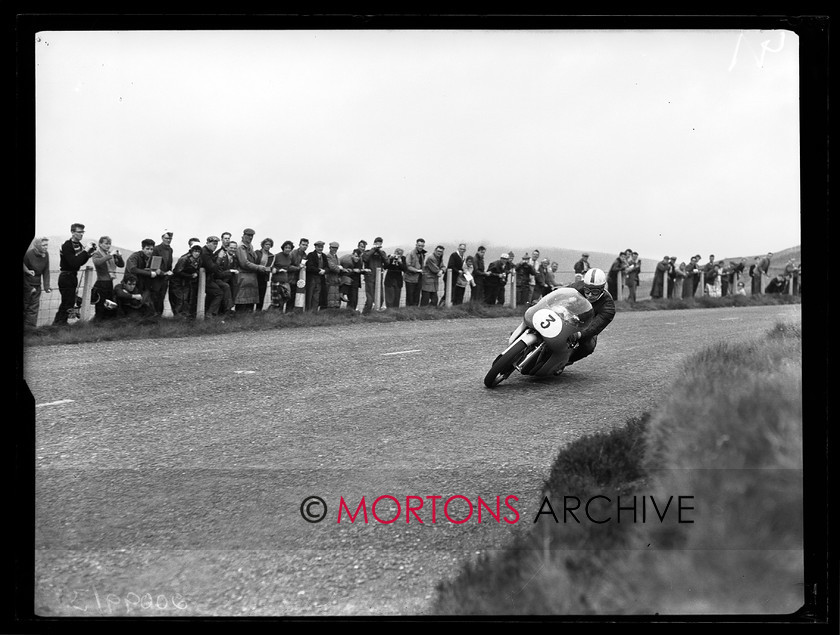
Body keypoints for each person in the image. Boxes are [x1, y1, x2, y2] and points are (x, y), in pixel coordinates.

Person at [565, 268, 616, 367]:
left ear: (602, 289)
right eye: (587, 290)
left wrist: (578, 335)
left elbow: (595, 327)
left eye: (595, 292)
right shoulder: (577, 286)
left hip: (587, 324)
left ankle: (565, 361)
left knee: (589, 346)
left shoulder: (608, 307)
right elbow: (559, 294)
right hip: (570, 315)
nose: (590, 295)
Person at [53, 223, 96, 325]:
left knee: (68, 301)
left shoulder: (79, 245)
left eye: (82, 232)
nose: (81, 234)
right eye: (79, 232)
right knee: (67, 302)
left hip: (73, 275)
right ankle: (60, 323)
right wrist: (85, 251)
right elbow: (73, 262)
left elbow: (80, 262)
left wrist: (88, 254)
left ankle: (59, 323)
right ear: (72, 232)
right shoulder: (67, 245)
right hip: (66, 276)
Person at [235, 228, 271, 313]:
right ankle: (240, 318)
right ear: (243, 235)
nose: (250, 237)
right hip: (243, 276)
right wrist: (259, 267)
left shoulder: (250, 246)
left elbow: (254, 259)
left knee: (250, 302)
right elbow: (244, 263)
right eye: (248, 235)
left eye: (252, 236)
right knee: (242, 301)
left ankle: (249, 319)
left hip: (251, 277)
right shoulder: (241, 247)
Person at [90, 236, 124, 321]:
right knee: (101, 304)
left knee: (109, 303)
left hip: (109, 281)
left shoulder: (110, 254)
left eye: (109, 244)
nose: (108, 246)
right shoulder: (96, 253)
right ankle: (98, 321)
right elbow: (98, 262)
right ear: (100, 244)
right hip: (101, 281)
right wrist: (110, 255)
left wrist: (119, 257)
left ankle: (108, 321)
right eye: (106, 243)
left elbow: (121, 265)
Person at [125, 239, 162, 310]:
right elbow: (133, 269)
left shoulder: (151, 258)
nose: (149, 251)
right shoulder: (134, 256)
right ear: (142, 248)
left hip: (144, 285)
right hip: (132, 285)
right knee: (132, 306)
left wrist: (156, 271)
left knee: (145, 306)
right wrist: (149, 273)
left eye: (151, 249)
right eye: (147, 249)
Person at [23, 236, 51, 329]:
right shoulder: (28, 255)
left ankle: (30, 330)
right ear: (38, 245)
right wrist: (29, 288)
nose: (46, 247)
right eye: (44, 245)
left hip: (37, 286)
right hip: (27, 285)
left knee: (34, 309)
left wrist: (47, 286)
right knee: (25, 307)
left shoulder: (46, 254)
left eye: (47, 245)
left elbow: (46, 270)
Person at [199, 236, 230, 317]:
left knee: (223, 288)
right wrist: (219, 258)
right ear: (207, 243)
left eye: (216, 244)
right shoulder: (205, 253)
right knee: (218, 293)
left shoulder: (208, 252)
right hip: (204, 280)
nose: (215, 246)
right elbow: (213, 268)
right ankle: (210, 314)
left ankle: (214, 312)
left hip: (209, 279)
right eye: (213, 244)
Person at [170, 244, 203, 317]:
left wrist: (195, 274)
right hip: (177, 282)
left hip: (187, 281)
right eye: (195, 251)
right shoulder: (184, 259)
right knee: (180, 299)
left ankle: (185, 315)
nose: (197, 253)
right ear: (191, 252)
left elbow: (197, 269)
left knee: (186, 299)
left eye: (198, 252)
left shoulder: (199, 260)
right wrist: (190, 276)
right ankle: (178, 316)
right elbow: (177, 271)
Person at [149, 230, 175, 315]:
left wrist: (169, 272)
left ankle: (159, 315)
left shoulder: (170, 250)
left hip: (165, 278)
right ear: (162, 238)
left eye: (170, 238)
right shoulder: (157, 249)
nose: (168, 240)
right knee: (155, 296)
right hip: (157, 277)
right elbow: (155, 266)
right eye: (166, 238)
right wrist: (163, 273)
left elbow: (169, 264)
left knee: (162, 296)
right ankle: (154, 315)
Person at [362, 237, 388, 314]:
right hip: (370, 277)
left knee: (380, 296)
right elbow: (365, 258)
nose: (378, 244)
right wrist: (373, 249)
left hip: (379, 277)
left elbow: (387, 262)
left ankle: (377, 312)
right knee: (370, 297)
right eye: (377, 243)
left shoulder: (382, 253)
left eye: (380, 243)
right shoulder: (368, 252)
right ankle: (366, 313)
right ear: (374, 243)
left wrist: (379, 251)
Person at [286, 238, 309, 313]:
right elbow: (288, 266)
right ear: (299, 245)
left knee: (298, 297)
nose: (304, 246)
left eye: (306, 245)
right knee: (290, 297)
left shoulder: (305, 255)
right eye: (303, 244)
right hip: (291, 278)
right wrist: (298, 268)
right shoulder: (293, 253)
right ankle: (288, 313)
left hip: (300, 279)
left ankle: (295, 313)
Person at [270, 240, 294, 311]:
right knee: (276, 299)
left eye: (289, 248)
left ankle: (279, 312)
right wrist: (278, 270)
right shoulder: (277, 256)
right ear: (283, 248)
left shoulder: (290, 257)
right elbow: (271, 267)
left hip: (285, 280)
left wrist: (299, 267)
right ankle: (274, 314)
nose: (287, 249)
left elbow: (289, 267)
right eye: (286, 247)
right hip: (276, 280)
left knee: (286, 297)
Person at [305, 240, 327, 311]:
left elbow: (327, 266)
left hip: (320, 279)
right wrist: (319, 270)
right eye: (319, 247)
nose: (320, 248)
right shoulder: (311, 255)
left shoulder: (324, 256)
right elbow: (310, 266)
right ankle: (308, 311)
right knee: (309, 295)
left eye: (322, 247)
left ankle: (314, 311)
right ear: (315, 247)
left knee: (317, 296)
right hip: (312, 278)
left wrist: (324, 271)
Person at [404, 238, 426, 307]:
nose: (420, 247)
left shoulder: (422, 254)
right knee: (410, 296)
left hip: (419, 278)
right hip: (410, 278)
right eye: (419, 245)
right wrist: (417, 270)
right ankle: (408, 311)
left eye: (422, 246)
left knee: (417, 296)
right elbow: (408, 266)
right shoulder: (410, 253)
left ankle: (415, 311)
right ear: (416, 245)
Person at [254, 238, 275, 311]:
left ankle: (258, 310)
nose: (268, 246)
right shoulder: (257, 252)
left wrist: (269, 269)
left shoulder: (271, 255)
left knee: (262, 293)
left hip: (264, 276)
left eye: (269, 245)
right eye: (266, 244)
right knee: (254, 293)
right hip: (256, 274)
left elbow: (271, 267)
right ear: (263, 245)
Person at [323, 241, 343, 310]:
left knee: (335, 297)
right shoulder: (328, 256)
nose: (334, 249)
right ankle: (330, 311)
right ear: (330, 248)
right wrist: (339, 268)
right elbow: (332, 267)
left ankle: (334, 311)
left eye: (336, 248)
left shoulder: (336, 257)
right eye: (333, 248)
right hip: (330, 279)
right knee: (330, 297)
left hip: (336, 280)